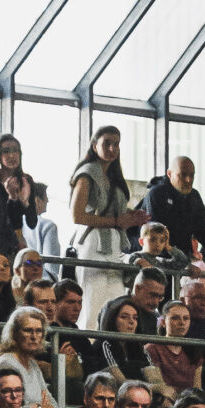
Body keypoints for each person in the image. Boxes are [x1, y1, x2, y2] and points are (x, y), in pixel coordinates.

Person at [69, 124, 145, 322]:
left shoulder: (113, 177)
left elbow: (114, 213)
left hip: (114, 246)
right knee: (93, 303)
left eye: (116, 144)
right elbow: (77, 216)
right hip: (93, 243)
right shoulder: (86, 174)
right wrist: (116, 221)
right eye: (107, 144)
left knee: (115, 303)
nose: (112, 149)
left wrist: (130, 217)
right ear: (95, 146)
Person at [143, 151, 205, 264]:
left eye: (192, 175)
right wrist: (184, 263)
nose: (188, 180)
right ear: (169, 174)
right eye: (183, 175)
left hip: (179, 261)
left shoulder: (194, 197)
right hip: (153, 261)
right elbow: (156, 235)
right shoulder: (157, 194)